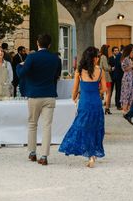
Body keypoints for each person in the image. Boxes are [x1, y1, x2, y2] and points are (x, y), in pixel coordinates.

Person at [16, 33, 61, 166]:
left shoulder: (32, 57)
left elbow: (21, 74)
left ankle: (32, 152)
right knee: (47, 126)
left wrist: (20, 65)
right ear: (50, 45)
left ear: (37, 43)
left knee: (32, 124)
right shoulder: (55, 59)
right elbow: (56, 75)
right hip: (49, 94)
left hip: (34, 95)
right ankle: (44, 156)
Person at [59, 46, 105, 168]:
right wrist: (95, 90)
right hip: (96, 102)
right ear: (94, 58)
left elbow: (74, 89)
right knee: (95, 127)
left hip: (84, 102)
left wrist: (73, 98)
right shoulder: (100, 71)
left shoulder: (79, 71)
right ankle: (92, 154)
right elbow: (104, 89)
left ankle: (89, 154)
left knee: (81, 126)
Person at [119, 46, 133, 113]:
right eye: (132, 51)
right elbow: (124, 69)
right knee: (126, 93)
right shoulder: (125, 59)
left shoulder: (129, 59)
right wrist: (132, 66)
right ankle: (124, 109)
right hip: (127, 78)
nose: (132, 52)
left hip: (131, 77)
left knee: (132, 93)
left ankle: (128, 108)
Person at [99, 45, 112, 115]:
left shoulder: (100, 56)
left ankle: (103, 108)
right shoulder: (104, 57)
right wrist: (111, 68)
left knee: (102, 92)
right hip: (106, 76)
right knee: (108, 93)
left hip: (101, 76)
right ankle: (107, 108)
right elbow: (106, 67)